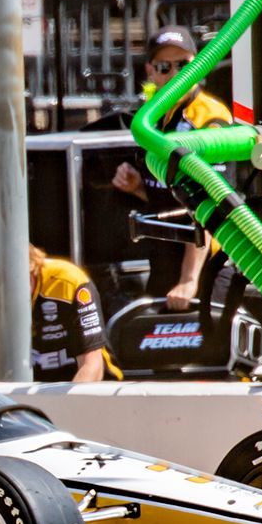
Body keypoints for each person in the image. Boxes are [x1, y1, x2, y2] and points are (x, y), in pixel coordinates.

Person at [110, 26, 232, 312]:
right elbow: (171, 192)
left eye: (183, 65)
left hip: (207, 266)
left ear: (199, 64)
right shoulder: (150, 116)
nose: (175, 75)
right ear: (151, 71)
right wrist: (137, 187)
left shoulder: (210, 117)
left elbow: (211, 203)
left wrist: (189, 280)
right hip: (164, 258)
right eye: (165, 67)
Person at [0, 243, 107, 382]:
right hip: (21, 393)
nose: (2, 298)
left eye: (6, 286)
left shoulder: (68, 282)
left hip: (81, 389)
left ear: (30, 269)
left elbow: (92, 366)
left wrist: (66, 406)